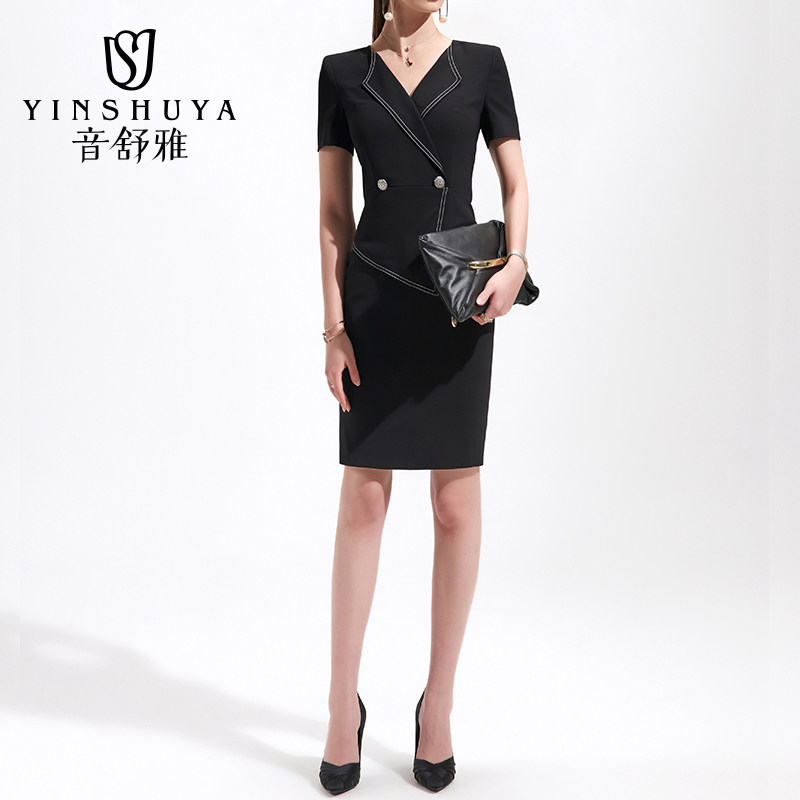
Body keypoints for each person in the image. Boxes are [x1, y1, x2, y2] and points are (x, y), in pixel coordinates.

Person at [317, 0, 529, 793]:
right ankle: (342, 705)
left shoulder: (483, 64)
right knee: (363, 503)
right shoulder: (344, 73)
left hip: (456, 301)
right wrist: (334, 326)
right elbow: (333, 213)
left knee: (455, 507)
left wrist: (515, 261)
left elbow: (515, 181)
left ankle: (437, 705)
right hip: (375, 302)